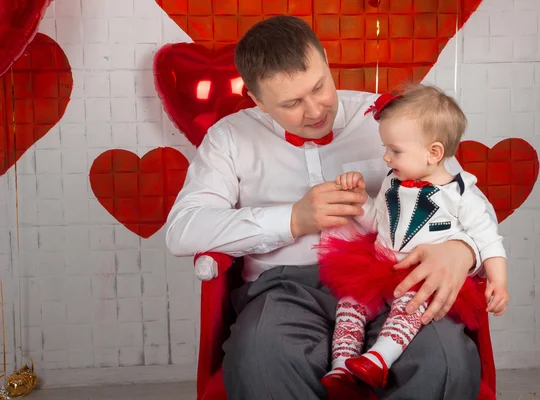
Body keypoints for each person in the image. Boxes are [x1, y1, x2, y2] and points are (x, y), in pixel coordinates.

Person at [166, 15, 496, 400]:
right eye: (291, 103)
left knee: (446, 359)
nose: (314, 111)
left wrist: (463, 249)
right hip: (285, 289)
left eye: (319, 87)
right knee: (259, 359)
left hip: (393, 280)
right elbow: (183, 228)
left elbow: (470, 200)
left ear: (325, 58)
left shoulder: (393, 119)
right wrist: (292, 219)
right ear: (256, 99)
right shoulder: (229, 137)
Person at [317, 83, 509, 395]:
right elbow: (378, 224)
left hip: (423, 273)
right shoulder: (394, 181)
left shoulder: (460, 194)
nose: (385, 156)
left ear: (433, 152)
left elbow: (489, 239)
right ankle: (342, 364)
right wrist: (358, 200)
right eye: (386, 148)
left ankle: (379, 358)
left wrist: (498, 282)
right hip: (380, 264)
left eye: (395, 151)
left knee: (412, 306)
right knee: (351, 303)